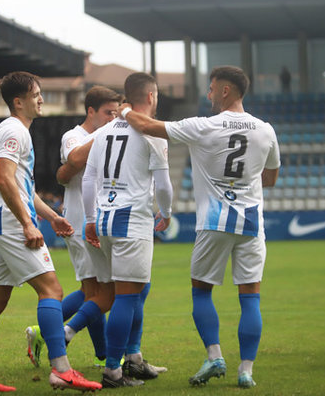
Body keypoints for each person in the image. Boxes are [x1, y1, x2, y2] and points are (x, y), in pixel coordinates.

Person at [117, 66, 280, 388]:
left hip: (214, 221)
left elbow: (147, 124)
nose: (208, 94)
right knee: (251, 296)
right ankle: (246, 370)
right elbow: (271, 178)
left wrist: (122, 108)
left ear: (225, 91)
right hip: (250, 221)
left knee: (201, 290)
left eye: (211, 88)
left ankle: (214, 354)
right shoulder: (266, 130)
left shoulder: (203, 126)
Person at [0, 71, 101, 393]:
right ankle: (62, 371)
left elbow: (20, 185)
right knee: (52, 291)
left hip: (0, 223)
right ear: (19, 101)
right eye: (36, 94)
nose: (41, 99)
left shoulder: (11, 129)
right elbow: (3, 178)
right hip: (14, 224)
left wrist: (52, 217)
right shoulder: (16, 130)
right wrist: (28, 223)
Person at [83, 72, 173, 388]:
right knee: (126, 297)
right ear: (150, 97)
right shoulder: (152, 133)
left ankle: (132, 358)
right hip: (131, 220)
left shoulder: (104, 130)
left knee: (134, 292)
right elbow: (163, 184)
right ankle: (113, 371)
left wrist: (90, 219)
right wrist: (168, 212)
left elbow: (88, 178)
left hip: (105, 220)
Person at [25, 86, 121, 369]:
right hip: (79, 223)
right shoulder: (74, 135)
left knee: (95, 292)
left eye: (116, 113)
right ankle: (98, 353)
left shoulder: (111, 136)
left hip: (100, 221)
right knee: (100, 292)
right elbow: (75, 160)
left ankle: (55, 336)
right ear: (91, 111)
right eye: (108, 113)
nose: (113, 118)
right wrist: (107, 132)